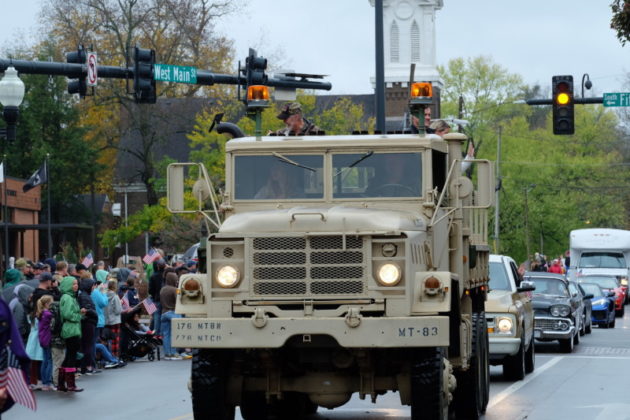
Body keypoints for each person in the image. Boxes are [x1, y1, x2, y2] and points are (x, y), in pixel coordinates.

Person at [59, 276, 85, 392]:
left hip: (71, 329)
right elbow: (67, 314)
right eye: (73, 284)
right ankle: (71, 384)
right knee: (71, 357)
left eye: (76, 284)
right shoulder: (68, 298)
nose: (76, 286)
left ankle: (61, 383)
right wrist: (79, 315)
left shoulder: (70, 297)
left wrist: (79, 312)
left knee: (69, 356)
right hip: (71, 330)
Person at [160, 272, 182, 360]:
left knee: (166, 334)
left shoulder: (162, 289)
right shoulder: (175, 290)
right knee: (174, 334)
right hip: (173, 313)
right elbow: (179, 300)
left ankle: (167, 354)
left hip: (164, 312)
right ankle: (173, 353)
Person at [36, 295, 55, 391]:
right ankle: (48, 382)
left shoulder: (41, 313)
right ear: (47, 304)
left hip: (42, 338)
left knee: (44, 360)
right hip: (48, 338)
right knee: (49, 360)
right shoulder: (48, 314)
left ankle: (44, 382)